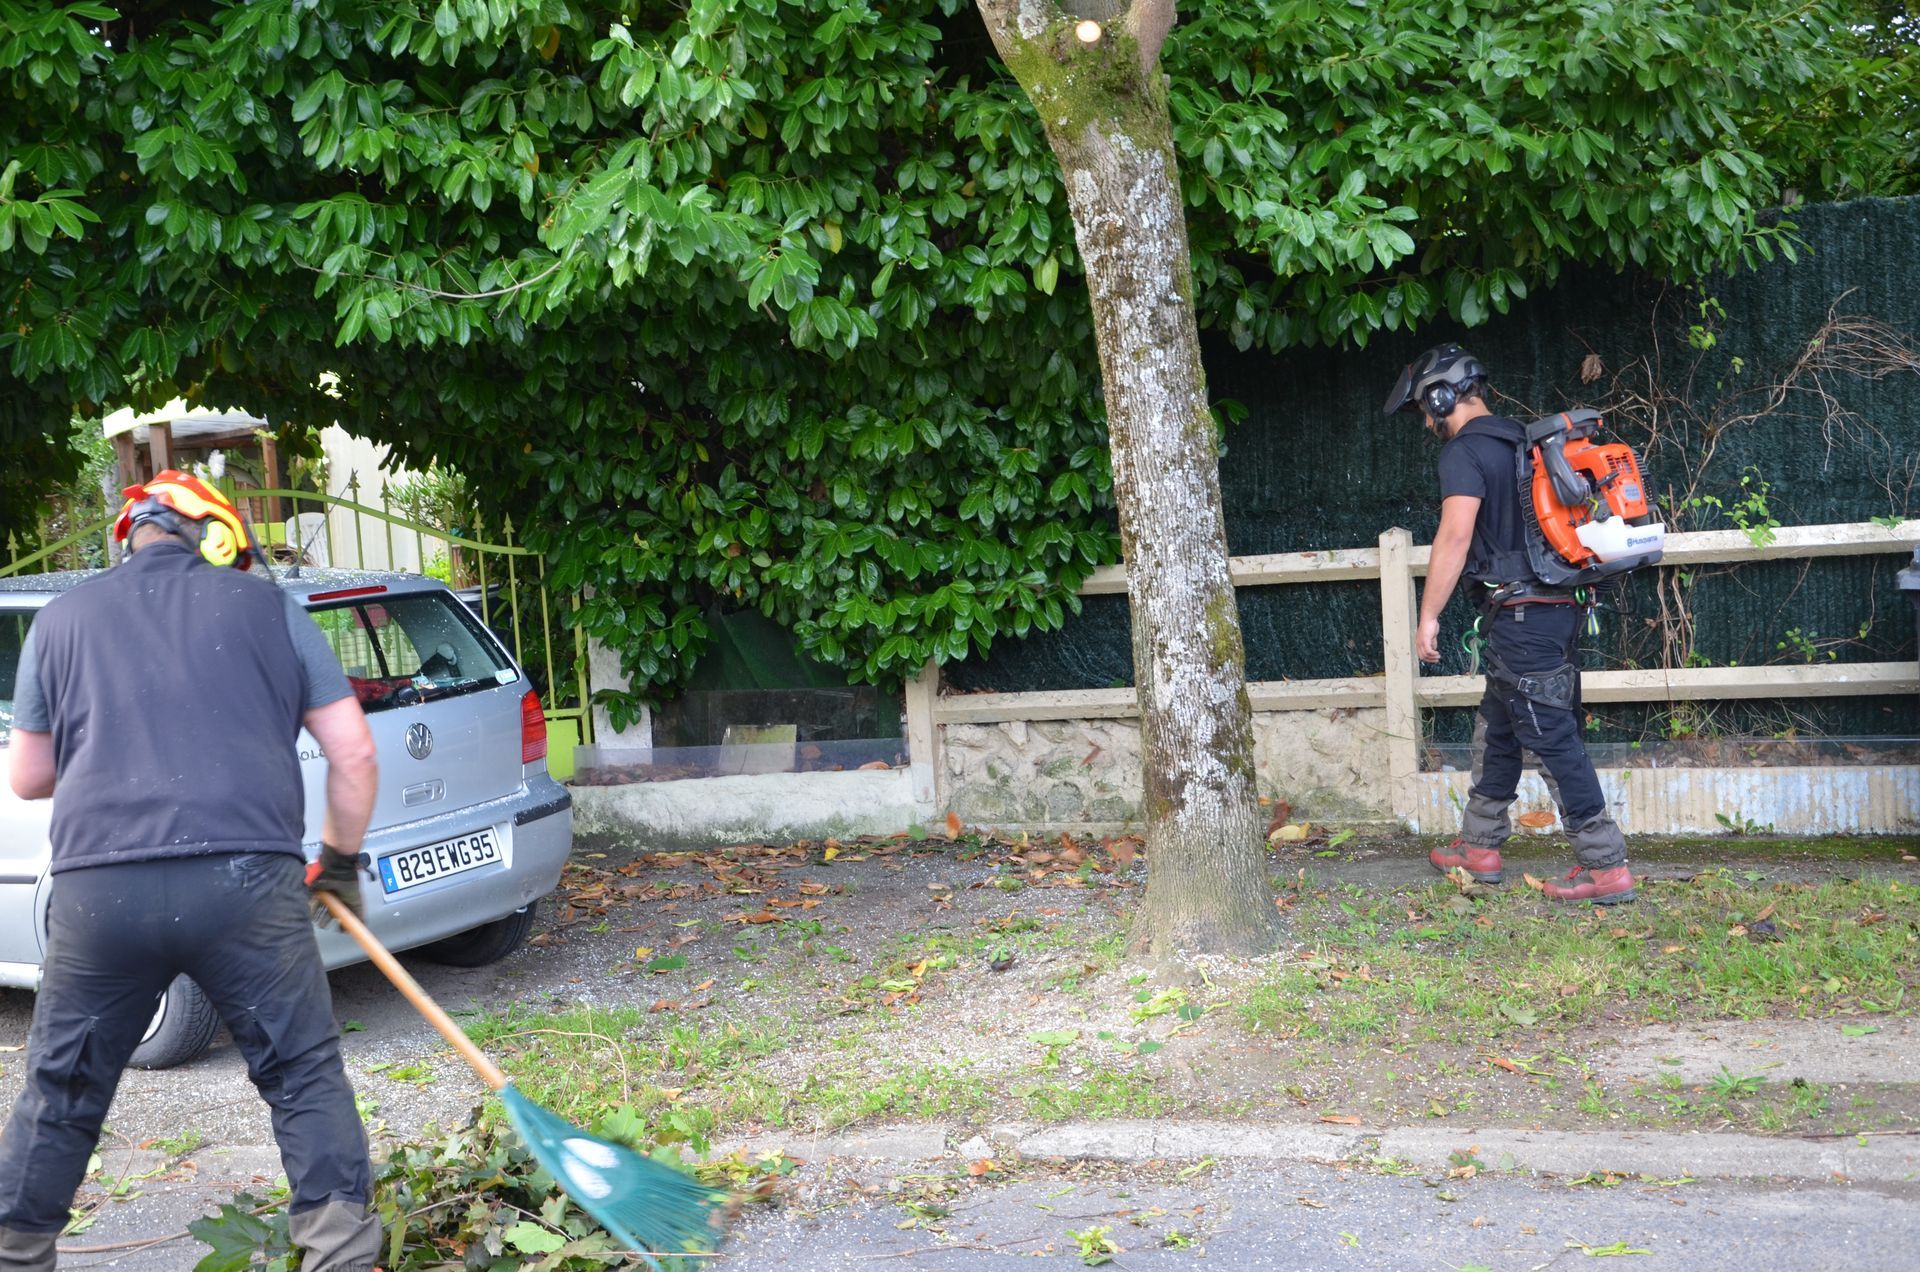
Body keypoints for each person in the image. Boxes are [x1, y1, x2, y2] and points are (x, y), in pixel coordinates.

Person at [0, 472, 383, 1271]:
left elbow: (28, 777)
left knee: (63, 1089)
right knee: (302, 1071)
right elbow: (353, 751)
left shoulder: (62, 620)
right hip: (248, 884)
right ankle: (342, 1254)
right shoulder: (270, 607)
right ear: (217, 536)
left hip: (103, 893)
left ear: (130, 534)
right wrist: (339, 864)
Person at [1385, 346, 1636, 905]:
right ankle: (1480, 845)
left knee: (1551, 739)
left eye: (1426, 410)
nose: (1427, 423)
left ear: (1441, 397)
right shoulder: (1525, 442)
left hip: (1522, 616)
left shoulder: (1464, 453)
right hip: (1556, 610)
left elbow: (1454, 536)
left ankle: (1605, 867)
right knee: (1499, 726)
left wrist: (1428, 616)